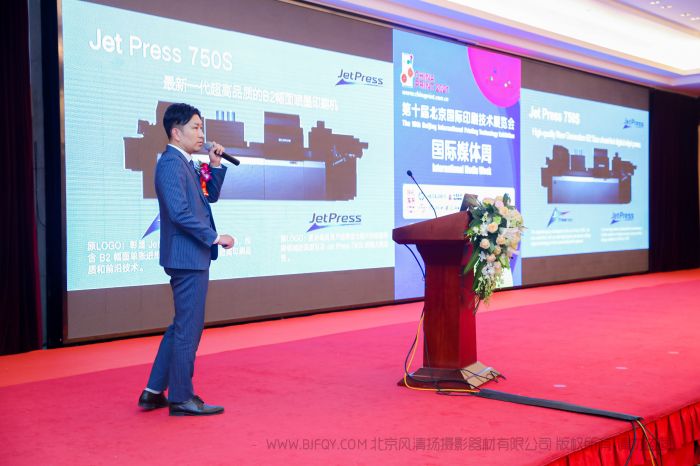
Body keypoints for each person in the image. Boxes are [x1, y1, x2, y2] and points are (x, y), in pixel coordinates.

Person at [137, 103, 234, 416]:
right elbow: (179, 213)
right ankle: (181, 398)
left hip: (192, 255)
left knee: (182, 325)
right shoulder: (170, 164)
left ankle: (153, 392)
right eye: (195, 127)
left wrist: (215, 165)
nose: (201, 133)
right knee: (188, 329)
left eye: (201, 127)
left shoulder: (186, 163)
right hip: (187, 256)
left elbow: (208, 198)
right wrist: (214, 237)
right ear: (176, 133)